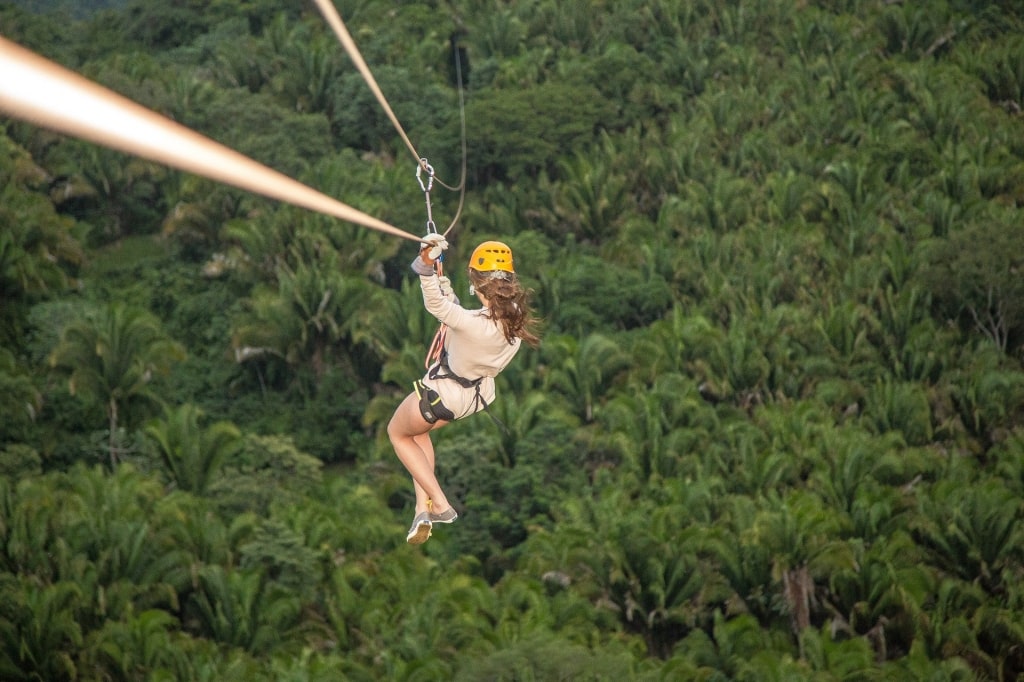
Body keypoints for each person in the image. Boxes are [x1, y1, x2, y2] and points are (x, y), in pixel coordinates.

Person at [387, 234, 540, 544]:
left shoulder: (472, 323)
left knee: (398, 433)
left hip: (441, 395)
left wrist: (426, 263)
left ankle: (439, 503)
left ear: (477, 283)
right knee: (419, 435)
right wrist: (451, 298)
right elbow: (468, 324)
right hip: (471, 399)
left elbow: (436, 307)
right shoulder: (515, 323)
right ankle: (422, 509)